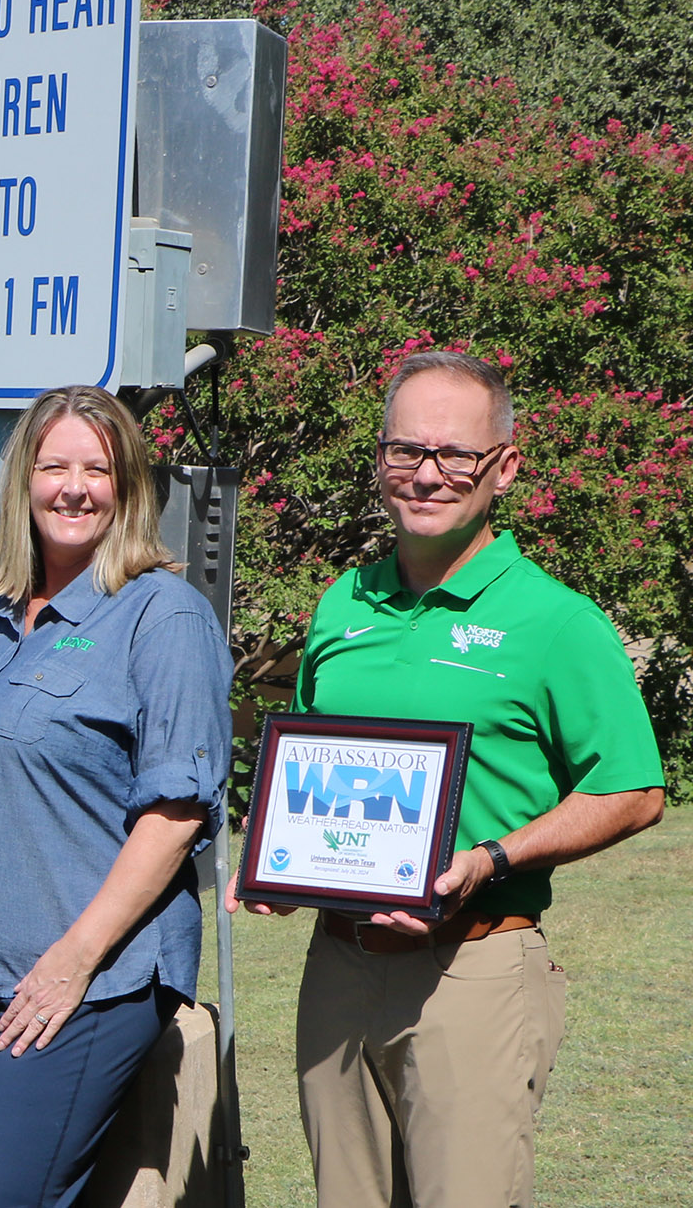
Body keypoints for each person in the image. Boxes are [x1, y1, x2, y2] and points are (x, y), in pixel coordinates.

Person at [227, 350, 665, 1208]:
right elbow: (313, 763)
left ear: (504, 468)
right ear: (381, 459)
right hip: (339, 970)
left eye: (454, 455)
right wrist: (280, 858)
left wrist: (492, 859)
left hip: (473, 968)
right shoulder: (342, 604)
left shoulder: (555, 621)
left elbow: (633, 789)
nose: (427, 475)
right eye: (406, 451)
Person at [0, 385, 231, 1208]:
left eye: (98, 468)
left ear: (130, 488)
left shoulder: (163, 615)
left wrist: (72, 962)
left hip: (89, 977)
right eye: (54, 466)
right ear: (23, 483)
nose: (74, 487)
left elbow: (178, 810)